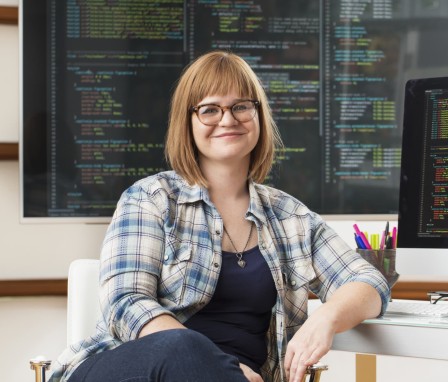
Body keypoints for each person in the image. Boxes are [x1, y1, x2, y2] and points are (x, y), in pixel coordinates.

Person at [49, 50, 390, 382]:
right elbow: (126, 303)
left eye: (241, 106)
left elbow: (369, 282)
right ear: (189, 122)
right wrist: (218, 365)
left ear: (258, 115)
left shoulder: (291, 218)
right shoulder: (150, 199)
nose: (228, 119)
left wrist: (326, 318)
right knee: (182, 347)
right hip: (131, 368)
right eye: (210, 110)